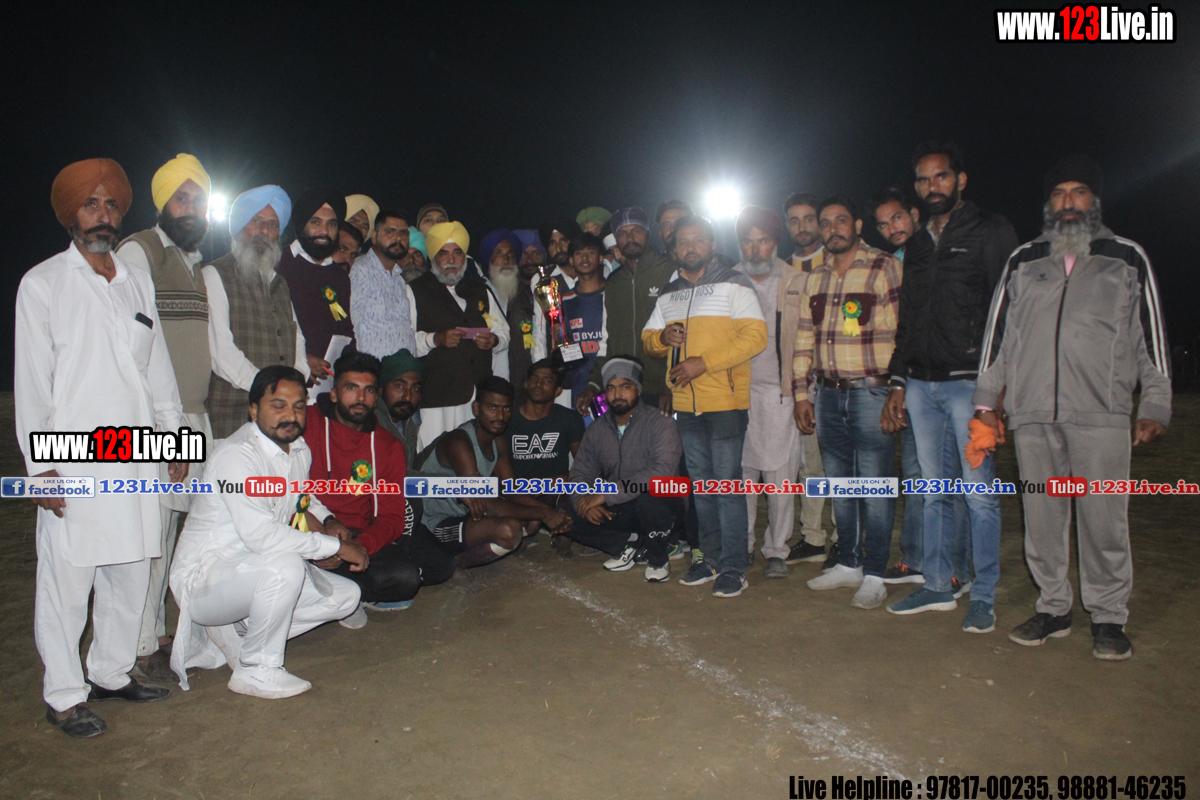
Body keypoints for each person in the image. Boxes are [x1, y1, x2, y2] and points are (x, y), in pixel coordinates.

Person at [975, 154, 1171, 660]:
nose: (1068, 202)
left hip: (1101, 413)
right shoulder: (1024, 261)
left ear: (1094, 200)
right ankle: (1053, 607)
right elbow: (999, 339)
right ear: (1048, 204)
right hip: (1033, 415)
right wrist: (986, 403)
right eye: (1059, 193)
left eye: (1078, 192)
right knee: (1042, 517)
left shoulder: (1125, 257)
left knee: (1104, 520)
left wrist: (1155, 403)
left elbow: (1149, 337)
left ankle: (1108, 616)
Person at [17, 159, 186, 737]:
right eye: (91, 204)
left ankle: (111, 673)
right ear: (71, 213)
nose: (103, 214)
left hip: (135, 450)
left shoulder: (135, 281)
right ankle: (64, 695)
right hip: (74, 456)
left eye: (112, 204)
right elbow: (33, 383)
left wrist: (175, 440)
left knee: (131, 567)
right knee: (69, 580)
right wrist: (41, 467)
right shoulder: (43, 283)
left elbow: (157, 367)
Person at [882, 143, 1018, 630]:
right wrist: (898, 380)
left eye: (940, 176)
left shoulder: (991, 230)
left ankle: (983, 596)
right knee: (932, 490)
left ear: (960, 180)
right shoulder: (917, 245)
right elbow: (909, 318)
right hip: (922, 387)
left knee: (978, 494)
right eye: (923, 179)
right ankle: (938, 585)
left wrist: (996, 391)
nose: (931, 186)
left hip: (970, 387)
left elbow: (1009, 310)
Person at [170, 367, 367, 699]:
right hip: (205, 578)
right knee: (285, 565)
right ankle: (255, 669)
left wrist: (329, 520)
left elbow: (302, 497)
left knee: (346, 597)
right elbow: (261, 536)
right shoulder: (237, 456)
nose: (290, 415)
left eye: (299, 406)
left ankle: (242, 632)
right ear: (253, 410)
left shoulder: (297, 449)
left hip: (253, 569)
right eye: (278, 405)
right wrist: (333, 547)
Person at [116, 153, 215, 681]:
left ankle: (154, 631)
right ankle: (136, 643)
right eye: (182, 197)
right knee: (149, 532)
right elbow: (129, 346)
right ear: (162, 202)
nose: (191, 208)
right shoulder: (140, 251)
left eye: (199, 199)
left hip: (192, 416)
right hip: (155, 420)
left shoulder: (195, 263)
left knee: (172, 529)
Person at [643, 215, 768, 598]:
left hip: (725, 402)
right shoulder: (669, 293)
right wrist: (662, 337)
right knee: (702, 487)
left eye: (698, 240)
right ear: (674, 249)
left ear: (712, 245)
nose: (690, 247)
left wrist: (704, 362)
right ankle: (709, 559)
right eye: (683, 241)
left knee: (727, 486)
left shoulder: (735, 283)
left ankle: (734, 566)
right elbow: (648, 338)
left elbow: (756, 336)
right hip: (686, 404)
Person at [792, 197, 902, 610]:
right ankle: (849, 563)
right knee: (841, 484)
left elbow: (903, 330)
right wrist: (801, 394)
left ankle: (875, 573)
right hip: (827, 393)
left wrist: (898, 388)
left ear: (857, 225)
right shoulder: (815, 278)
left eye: (841, 220)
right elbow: (804, 339)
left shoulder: (883, 267)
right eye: (826, 223)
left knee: (873, 486)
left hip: (872, 392)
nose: (832, 228)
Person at [305, 352, 455, 612]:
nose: (360, 398)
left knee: (405, 578)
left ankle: (329, 589)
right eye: (351, 388)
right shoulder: (306, 424)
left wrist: (354, 548)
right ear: (334, 393)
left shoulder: (387, 445)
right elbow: (284, 493)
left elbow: (392, 519)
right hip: (308, 527)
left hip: (356, 536)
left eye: (369, 390)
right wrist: (321, 539)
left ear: (376, 398)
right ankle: (331, 588)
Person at [864, 186, 940, 589]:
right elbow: (899, 331)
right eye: (882, 224)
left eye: (896, 217)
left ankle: (949, 565)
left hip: (946, 382)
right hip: (907, 381)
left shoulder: (941, 252)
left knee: (946, 476)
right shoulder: (893, 265)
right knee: (914, 472)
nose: (891, 228)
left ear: (914, 213)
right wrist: (897, 383)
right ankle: (915, 559)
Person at [415, 377, 572, 568]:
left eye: (506, 409)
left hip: (466, 515)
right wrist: (545, 513)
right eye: (492, 407)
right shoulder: (459, 442)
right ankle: (450, 565)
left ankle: (465, 548)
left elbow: (511, 490)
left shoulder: (498, 439)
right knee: (509, 530)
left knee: (532, 522)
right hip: (434, 522)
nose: (500, 416)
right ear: (476, 409)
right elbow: (486, 504)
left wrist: (550, 513)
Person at [732, 206, 812, 580]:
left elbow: (808, 340)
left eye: (763, 240)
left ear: (775, 243)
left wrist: (803, 393)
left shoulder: (797, 280)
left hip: (783, 393)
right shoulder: (729, 280)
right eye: (748, 241)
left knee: (781, 478)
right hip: (736, 393)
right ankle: (743, 545)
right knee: (743, 476)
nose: (755, 249)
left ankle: (777, 549)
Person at [203, 186, 310, 439]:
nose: (264, 231)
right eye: (256, 221)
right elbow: (222, 354)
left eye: (273, 225)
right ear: (240, 226)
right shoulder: (214, 274)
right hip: (232, 420)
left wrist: (297, 382)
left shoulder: (279, 283)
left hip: (280, 421)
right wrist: (274, 392)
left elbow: (297, 341)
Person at [565, 357, 683, 580]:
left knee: (651, 498)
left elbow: (662, 472)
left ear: (638, 390)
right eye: (611, 388)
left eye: (625, 387)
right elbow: (580, 473)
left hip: (662, 504)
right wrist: (583, 503)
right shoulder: (597, 429)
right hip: (621, 505)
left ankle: (659, 560)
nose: (617, 394)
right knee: (565, 512)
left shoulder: (660, 422)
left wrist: (605, 495)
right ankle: (629, 543)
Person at [409, 221, 509, 449]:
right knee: (435, 455)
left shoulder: (480, 289)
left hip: (477, 397)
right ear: (433, 257)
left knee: (474, 455)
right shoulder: (414, 290)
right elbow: (406, 340)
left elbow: (504, 333)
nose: (451, 260)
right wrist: (435, 339)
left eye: (457, 253)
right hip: (438, 397)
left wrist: (494, 341)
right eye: (443, 253)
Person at [578, 206, 676, 415]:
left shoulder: (670, 271)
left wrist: (671, 384)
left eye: (636, 231)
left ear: (647, 234)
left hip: (662, 391)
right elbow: (607, 340)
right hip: (622, 391)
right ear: (616, 239)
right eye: (622, 233)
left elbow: (684, 334)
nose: (630, 238)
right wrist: (594, 384)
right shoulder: (614, 283)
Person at [276, 187, 354, 381]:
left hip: (330, 384)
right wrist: (300, 360)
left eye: (332, 224)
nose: (324, 231)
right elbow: (267, 327)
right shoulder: (278, 263)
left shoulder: (340, 276)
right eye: (315, 222)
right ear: (301, 224)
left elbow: (345, 329)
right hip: (286, 380)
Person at [506, 359, 586, 547]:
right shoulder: (507, 417)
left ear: (558, 391)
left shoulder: (569, 418)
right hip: (517, 492)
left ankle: (560, 528)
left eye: (547, 380)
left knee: (579, 493)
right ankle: (538, 523)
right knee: (524, 526)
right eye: (534, 378)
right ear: (526, 384)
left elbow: (585, 468)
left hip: (554, 489)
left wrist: (553, 482)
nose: (539, 384)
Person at [350, 208, 418, 359]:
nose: (398, 238)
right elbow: (353, 324)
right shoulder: (361, 270)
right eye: (390, 232)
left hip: (401, 367)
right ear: (374, 237)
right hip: (372, 367)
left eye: (404, 233)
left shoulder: (399, 279)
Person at [555, 233, 609, 405]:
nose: (584, 258)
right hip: (579, 388)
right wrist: (560, 339)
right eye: (579, 253)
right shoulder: (564, 300)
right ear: (571, 260)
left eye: (591, 253)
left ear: (600, 258)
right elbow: (566, 347)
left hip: (611, 385)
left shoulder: (613, 294)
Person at [479, 228, 535, 390]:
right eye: (499, 253)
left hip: (521, 379)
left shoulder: (527, 294)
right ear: (489, 258)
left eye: (511, 254)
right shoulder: (477, 293)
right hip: (487, 377)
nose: (506, 260)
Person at [375, 348, 425, 465]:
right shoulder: (373, 423)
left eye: (415, 389)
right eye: (399, 386)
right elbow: (393, 473)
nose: (407, 397)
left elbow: (411, 466)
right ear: (381, 389)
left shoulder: (408, 423)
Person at [868, 187, 921, 261]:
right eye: (883, 225)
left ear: (914, 215)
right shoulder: (894, 262)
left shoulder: (937, 243)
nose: (892, 230)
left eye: (896, 218)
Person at [784, 192, 825, 272]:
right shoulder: (784, 270)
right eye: (794, 222)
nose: (802, 228)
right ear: (787, 226)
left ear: (819, 221)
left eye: (808, 220)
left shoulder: (837, 259)